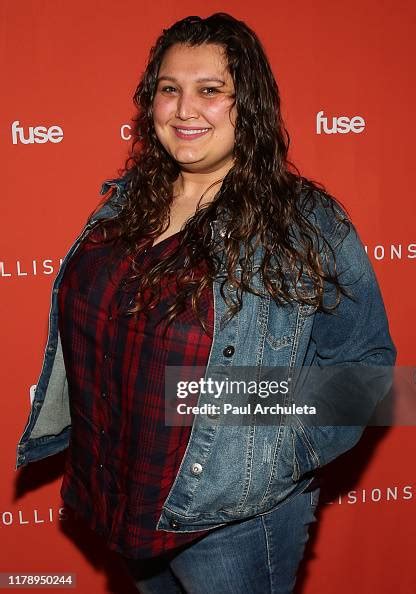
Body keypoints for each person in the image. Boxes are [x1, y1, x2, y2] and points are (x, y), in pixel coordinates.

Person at [16, 13, 396, 594]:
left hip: (230, 523)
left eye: (210, 91)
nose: (185, 109)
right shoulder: (123, 207)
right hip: (123, 495)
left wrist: (269, 456)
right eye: (170, 90)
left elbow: (366, 366)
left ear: (250, 106)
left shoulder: (304, 224)